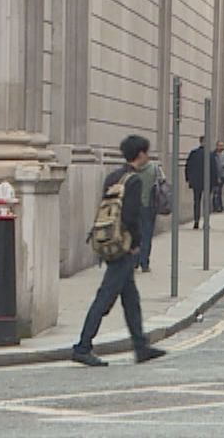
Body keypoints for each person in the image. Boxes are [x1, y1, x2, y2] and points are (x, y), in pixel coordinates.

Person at [70, 135, 168, 367]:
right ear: (141, 154)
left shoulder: (113, 177)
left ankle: (140, 346)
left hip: (110, 242)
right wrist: (136, 244)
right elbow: (131, 216)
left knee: (131, 299)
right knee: (104, 298)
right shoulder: (134, 180)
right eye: (147, 152)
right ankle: (82, 346)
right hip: (124, 247)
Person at [134, 149, 167, 272]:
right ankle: (144, 263)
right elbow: (163, 181)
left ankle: (135, 261)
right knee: (147, 235)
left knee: (135, 234)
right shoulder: (155, 168)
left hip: (135, 206)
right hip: (149, 206)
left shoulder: (132, 169)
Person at [184, 141, 209, 230]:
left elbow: (188, 166)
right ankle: (206, 222)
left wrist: (188, 178)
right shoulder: (209, 154)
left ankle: (196, 220)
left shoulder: (193, 153)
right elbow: (213, 168)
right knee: (206, 202)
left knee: (197, 201)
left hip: (196, 181)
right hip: (206, 181)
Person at [211, 140, 224, 213]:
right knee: (217, 192)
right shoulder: (213, 154)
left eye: (222, 145)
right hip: (217, 175)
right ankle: (217, 207)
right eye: (219, 145)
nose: (221, 147)